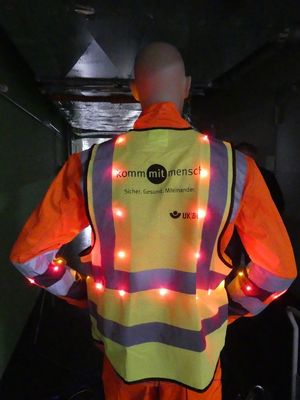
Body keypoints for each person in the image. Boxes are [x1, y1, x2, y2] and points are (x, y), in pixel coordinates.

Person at [10, 42, 297, 400]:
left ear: (133, 91)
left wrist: (81, 291)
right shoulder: (234, 168)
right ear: (188, 86)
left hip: (123, 363)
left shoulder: (90, 166)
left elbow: (28, 256)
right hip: (197, 366)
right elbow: (279, 271)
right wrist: (232, 304)